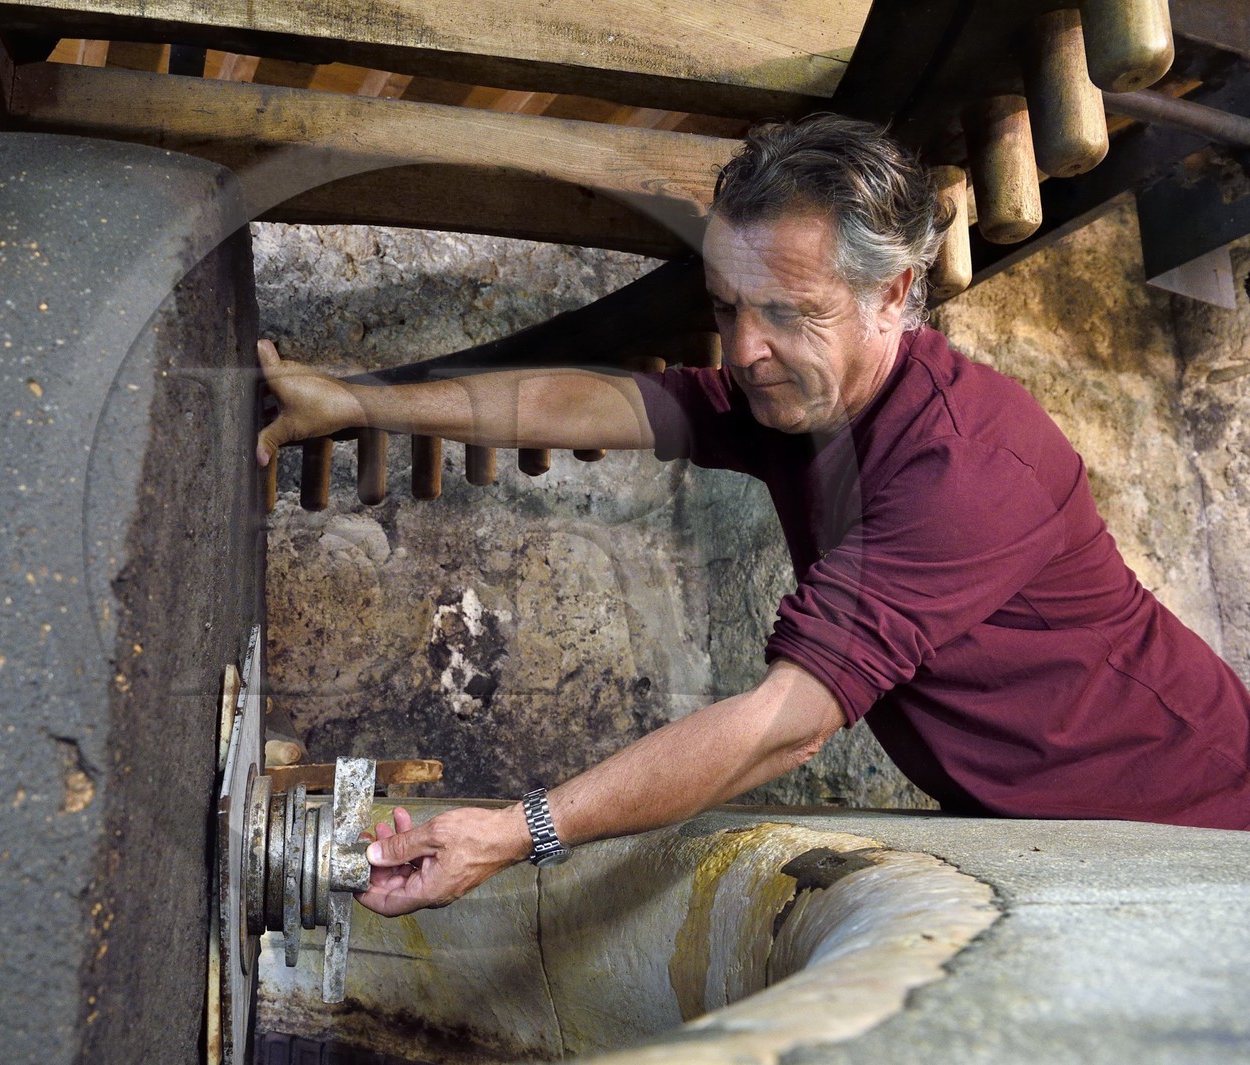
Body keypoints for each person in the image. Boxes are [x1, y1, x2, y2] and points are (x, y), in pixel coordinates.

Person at [254, 114, 1250, 917]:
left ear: (892, 295)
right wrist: (356, 401)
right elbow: (602, 404)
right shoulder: (801, 396)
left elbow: (781, 727)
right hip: (1051, 822)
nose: (743, 348)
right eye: (729, 306)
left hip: (1201, 822)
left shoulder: (965, 471)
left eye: (787, 312)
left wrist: (516, 833)